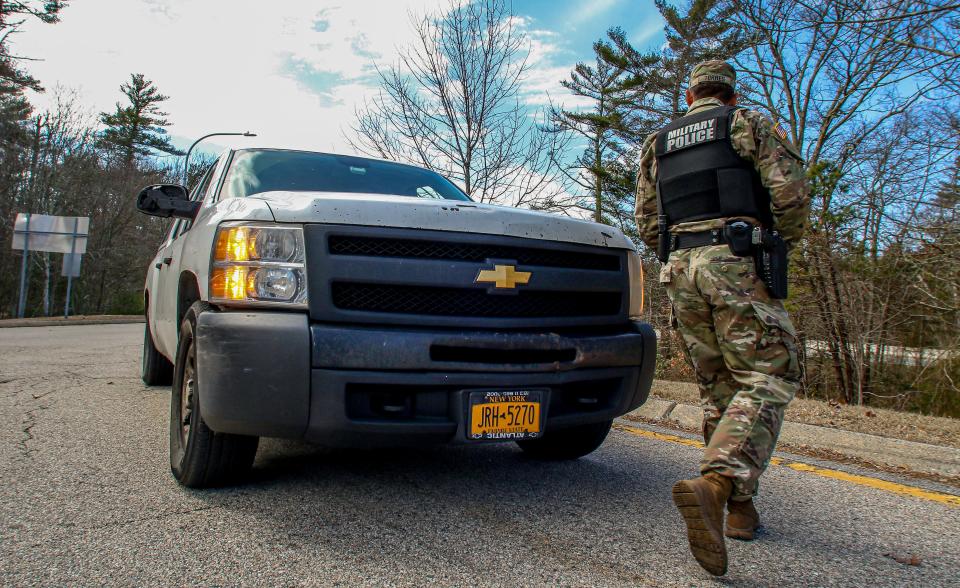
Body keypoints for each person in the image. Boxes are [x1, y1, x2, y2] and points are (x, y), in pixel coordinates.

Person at [634, 60, 809, 576]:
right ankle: (716, 481)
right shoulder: (746, 124)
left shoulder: (658, 143)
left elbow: (646, 219)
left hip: (680, 269)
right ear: (730, 95)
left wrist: (677, 255)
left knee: (718, 386)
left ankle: (739, 509)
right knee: (771, 372)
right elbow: (790, 196)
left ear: (691, 96)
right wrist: (773, 246)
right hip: (732, 260)